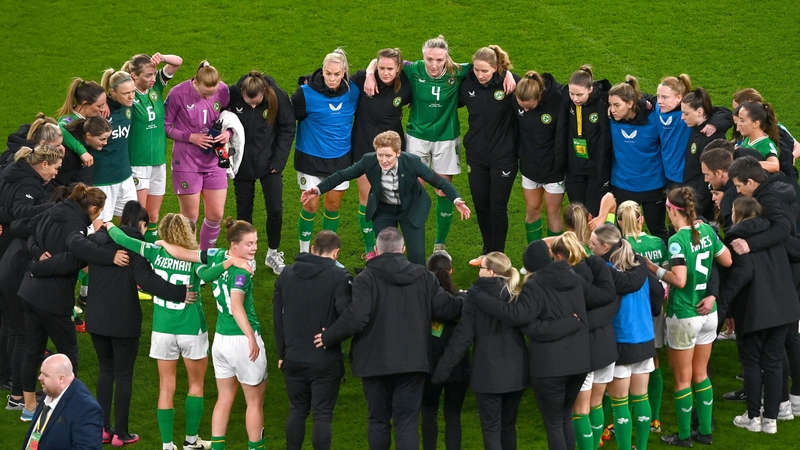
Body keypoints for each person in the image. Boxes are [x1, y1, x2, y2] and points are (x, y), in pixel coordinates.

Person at [106, 213, 251, 450]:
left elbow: (122, 239)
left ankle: (167, 445)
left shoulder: (153, 251)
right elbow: (206, 275)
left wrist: (107, 225)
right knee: (196, 385)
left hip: (162, 329)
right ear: (188, 233)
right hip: (191, 328)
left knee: (166, 385)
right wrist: (229, 262)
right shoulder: (194, 259)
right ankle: (191, 442)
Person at [364, 36, 515, 257]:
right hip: (417, 137)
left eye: (439, 60)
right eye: (429, 59)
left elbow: (489, 65)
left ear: (447, 58)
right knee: (412, 189)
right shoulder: (413, 69)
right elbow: (381, 62)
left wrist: (508, 73)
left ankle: (439, 245)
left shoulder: (459, 71)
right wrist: (370, 73)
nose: (434, 65)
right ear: (422, 56)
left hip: (446, 138)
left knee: (443, 190)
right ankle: (402, 241)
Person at [315, 227, 462, 450]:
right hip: (412, 363)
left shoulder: (366, 278)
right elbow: (447, 309)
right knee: (406, 423)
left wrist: (328, 337)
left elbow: (356, 318)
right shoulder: (424, 277)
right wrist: (470, 297)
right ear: (403, 249)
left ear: (376, 250)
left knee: (378, 421)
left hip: (374, 363)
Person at [64, 201, 196, 446]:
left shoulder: (98, 240)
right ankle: (121, 433)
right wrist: (180, 293)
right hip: (123, 321)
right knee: (123, 375)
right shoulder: (136, 247)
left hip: (96, 318)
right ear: (142, 225)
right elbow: (147, 281)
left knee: (106, 371)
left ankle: (102, 428)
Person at [467, 240, 615, 450]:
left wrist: (479, 296)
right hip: (580, 363)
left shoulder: (533, 286)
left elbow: (519, 317)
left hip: (550, 367)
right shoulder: (574, 277)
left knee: (554, 422)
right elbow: (607, 294)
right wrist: (594, 261)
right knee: (564, 417)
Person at [301, 131, 470, 265]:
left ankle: (418, 291)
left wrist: (456, 200)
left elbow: (439, 182)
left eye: (388, 156)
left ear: (398, 153)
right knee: (385, 256)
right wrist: (318, 189)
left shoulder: (412, 162)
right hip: (383, 210)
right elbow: (342, 175)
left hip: (411, 210)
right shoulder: (368, 161)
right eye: (380, 155)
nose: (383, 160)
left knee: (417, 257)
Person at [646, 187, 732, 447]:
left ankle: (683, 436)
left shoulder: (676, 240)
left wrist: (654, 270)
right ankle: (705, 432)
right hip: (709, 314)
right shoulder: (707, 231)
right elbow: (727, 260)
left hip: (684, 314)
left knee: (682, 379)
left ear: (672, 210)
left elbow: (680, 280)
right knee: (701, 374)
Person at [16, 184, 110, 420]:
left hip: (28, 292)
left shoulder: (54, 209)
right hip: (52, 299)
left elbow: (29, 232)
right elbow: (69, 262)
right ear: (94, 208)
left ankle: (28, 408)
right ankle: (64, 407)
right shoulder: (76, 226)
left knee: (33, 349)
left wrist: (37, 255)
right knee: (69, 355)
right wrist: (40, 266)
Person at [720, 197, 800, 434]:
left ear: (738, 213)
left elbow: (740, 276)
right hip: (783, 311)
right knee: (774, 363)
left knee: (752, 364)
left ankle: (754, 417)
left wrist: (725, 308)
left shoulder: (736, 239)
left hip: (754, 311)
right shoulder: (777, 236)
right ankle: (772, 420)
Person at [432, 252, 527, 450]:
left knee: (491, 429)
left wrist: (441, 371)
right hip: (516, 373)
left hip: (488, 376)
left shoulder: (474, 298)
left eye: (481, 268)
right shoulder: (517, 294)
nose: (478, 271)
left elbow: (462, 338)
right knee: (508, 427)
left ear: (491, 273)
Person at [273, 230, 352, 450]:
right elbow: (348, 316)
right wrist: (331, 336)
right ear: (336, 253)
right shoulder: (339, 276)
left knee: (297, 410)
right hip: (325, 359)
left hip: (293, 357)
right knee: (322, 415)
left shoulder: (286, 274)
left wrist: (282, 353)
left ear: (313, 250)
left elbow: (277, 317)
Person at [590, 225, 664, 450]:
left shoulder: (604, 271)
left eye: (593, 244)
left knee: (619, 403)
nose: (590, 247)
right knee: (641, 397)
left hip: (620, 341)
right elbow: (658, 292)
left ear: (605, 247)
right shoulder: (638, 265)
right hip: (644, 339)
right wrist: (650, 312)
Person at [0, 145, 62, 413]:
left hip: (7, 261)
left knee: (14, 330)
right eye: (56, 167)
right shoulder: (29, 183)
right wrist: (48, 212)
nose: (56, 173)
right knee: (23, 334)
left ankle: (10, 380)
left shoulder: (13, 171)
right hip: (14, 264)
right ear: (44, 164)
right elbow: (20, 215)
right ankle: (17, 393)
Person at [205, 219, 266, 450]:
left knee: (224, 398)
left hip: (220, 341)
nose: (254, 248)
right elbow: (237, 305)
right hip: (241, 341)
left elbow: (194, 258)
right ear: (234, 245)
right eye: (249, 244)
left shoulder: (219, 257)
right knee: (254, 402)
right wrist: (251, 336)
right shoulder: (240, 273)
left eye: (256, 242)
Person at [293, 49, 360, 253]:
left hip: (340, 160)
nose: (332, 78)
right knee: (311, 206)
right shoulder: (304, 94)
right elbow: (286, 121)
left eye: (337, 74)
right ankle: (304, 252)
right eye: (328, 73)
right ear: (322, 71)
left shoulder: (353, 92)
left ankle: (327, 253)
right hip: (310, 159)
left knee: (333, 206)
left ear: (344, 73)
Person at [228, 70, 295, 273]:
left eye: (257, 102)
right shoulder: (232, 94)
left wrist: (279, 161)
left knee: (275, 210)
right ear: (242, 93)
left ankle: (272, 253)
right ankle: (248, 256)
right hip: (242, 165)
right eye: (249, 103)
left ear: (264, 92)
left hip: (270, 165)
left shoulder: (277, 96)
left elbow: (288, 127)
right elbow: (218, 117)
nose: (253, 106)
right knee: (244, 213)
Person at [458, 46, 519, 264]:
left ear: (495, 68)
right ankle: (486, 251)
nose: (480, 75)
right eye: (476, 70)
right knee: (481, 204)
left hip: (504, 156)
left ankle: (498, 255)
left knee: (497, 206)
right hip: (476, 155)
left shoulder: (509, 84)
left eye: (485, 71)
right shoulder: (467, 85)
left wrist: (511, 74)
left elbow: (535, 87)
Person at [350, 48, 412, 258]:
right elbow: (336, 82)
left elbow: (424, 67)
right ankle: (370, 249)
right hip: (363, 146)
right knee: (367, 198)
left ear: (398, 69)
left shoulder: (407, 83)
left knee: (394, 198)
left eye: (390, 69)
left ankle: (392, 246)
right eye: (381, 68)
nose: (385, 73)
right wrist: (368, 73)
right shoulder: (361, 79)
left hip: (393, 151)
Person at [165, 60, 231, 250]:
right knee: (190, 217)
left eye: (213, 93)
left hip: (215, 160)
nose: (210, 97)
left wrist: (228, 133)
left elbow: (230, 114)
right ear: (195, 82)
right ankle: (189, 260)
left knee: (216, 214)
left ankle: (204, 255)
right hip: (186, 162)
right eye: (205, 93)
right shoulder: (178, 93)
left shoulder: (223, 90)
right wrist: (191, 137)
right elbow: (166, 126)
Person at [617, 200, 669, 433]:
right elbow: (666, 275)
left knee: (622, 368)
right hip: (655, 308)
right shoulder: (657, 242)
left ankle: (622, 419)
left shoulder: (619, 247)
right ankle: (655, 418)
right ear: (642, 219)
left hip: (628, 311)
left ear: (619, 221)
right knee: (652, 361)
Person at [122, 52, 183, 243]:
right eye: (148, 75)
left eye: (154, 74)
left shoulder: (156, 87)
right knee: (137, 217)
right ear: (134, 77)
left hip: (158, 161)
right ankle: (132, 256)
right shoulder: (128, 98)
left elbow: (178, 62)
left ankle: (149, 257)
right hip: (138, 164)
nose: (152, 78)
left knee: (153, 216)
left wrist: (162, 57)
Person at [608, 76, 668, 242]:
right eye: (610, 105)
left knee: (657, 230)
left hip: (653, 186)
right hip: (623, 185)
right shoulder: (611, 119)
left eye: (617, 105)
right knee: (624, 234)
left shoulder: (654, 118)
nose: (612, 109)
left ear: (630, 103)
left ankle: (666, 264)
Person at [422, 253, 470, 450]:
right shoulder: (462, 302)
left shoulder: (422, 302)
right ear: (451, 271)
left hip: (428, 366)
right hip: (458, 367)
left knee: (428, 413)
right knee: (453, 415)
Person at [515, 70, 566, 244]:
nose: (525, 109)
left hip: (553, 170)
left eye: (529, 106)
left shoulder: (558, 99)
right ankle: (535, 257)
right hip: (529, 167)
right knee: (532, 210)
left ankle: (555, 261)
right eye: (521, 105)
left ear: (540, 96)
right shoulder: (521, 95)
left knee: (553, 213)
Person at [23, 354, 103, 450]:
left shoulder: (86, 408)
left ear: (61, 379)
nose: (40, 377)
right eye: (41, 373)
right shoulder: (52, 390)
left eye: (45, 375)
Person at [563, 66, 612, 216]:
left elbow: (632, 96)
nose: (575, 98)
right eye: (572, 93)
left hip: (595, 171)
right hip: (574, 169)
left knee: (593, 215)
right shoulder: (567, 100)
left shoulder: (604, 101)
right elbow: (546, 84)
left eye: (579, 94)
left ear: (590, 89)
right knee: (577, 216)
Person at [678, 87, 733, 219]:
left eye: (686, 114)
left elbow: (710, 177)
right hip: (693, 195)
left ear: (699, 112)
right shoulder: (700, 128)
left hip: (702, 204)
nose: (682, 118)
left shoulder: (710, 137)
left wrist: (696, 208)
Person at [95, 69, 137, 228]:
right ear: (112, 93)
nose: (131, 96)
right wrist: (103, 102)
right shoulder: (100, 112)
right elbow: (66, 122)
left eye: (133, 91)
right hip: (102, 179)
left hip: (125, 177)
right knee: (101, 229)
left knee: (132, 225)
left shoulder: (128, 105)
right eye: (126, 93)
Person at [55, 78, 108, 171]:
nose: (103, 109)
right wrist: (82, 151)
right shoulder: (70, 118)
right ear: (85, 104)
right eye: (99, 106)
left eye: (104, 104)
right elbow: (59, 129)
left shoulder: (91, 118)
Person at [59, 115, 112, 188]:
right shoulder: (70, 155)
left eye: (107, 139)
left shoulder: (88, 146)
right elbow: (58, 183)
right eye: (102, 139)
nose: (105, 143)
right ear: (88, 135)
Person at [0, 113, 64, 168]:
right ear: (43, 143)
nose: (61, 148)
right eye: (57, 145)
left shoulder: (18, 146)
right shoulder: (30, 159)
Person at [735, 102, 781, 173]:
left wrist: (746, 164)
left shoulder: (766, 145)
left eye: (742, 120)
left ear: (755, 124)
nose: (739, 124)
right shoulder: (747, 138)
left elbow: (775, 166)